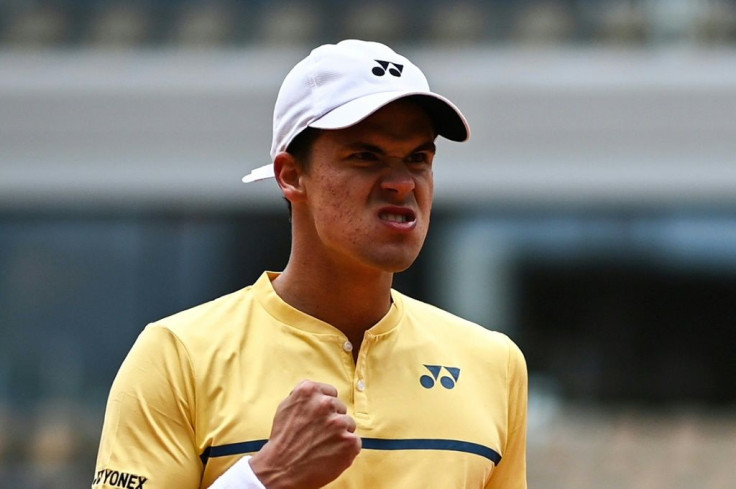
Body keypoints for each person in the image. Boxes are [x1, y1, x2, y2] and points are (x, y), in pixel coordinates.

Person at [92, 39, 527, 489]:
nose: (401, 183)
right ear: (290, 175)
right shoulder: (176, 355)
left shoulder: (496, 364)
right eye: (365, 156)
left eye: (418, 158)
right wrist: (265, 477)